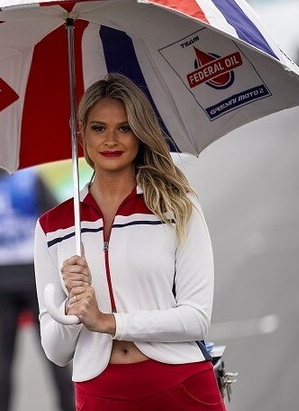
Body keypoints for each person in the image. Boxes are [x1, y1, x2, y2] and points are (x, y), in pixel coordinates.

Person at [34, 73, 225, 410]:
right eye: (98, 128)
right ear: (81, 134)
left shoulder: (177, 206)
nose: (111, 139)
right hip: (100, 394)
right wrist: (72, 308)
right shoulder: (54, 227)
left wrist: (109, 322)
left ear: (140, 133)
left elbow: (197, 318)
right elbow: (55, 351)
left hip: (180, 386)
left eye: (124, 127)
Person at [0, 164, 74, 411]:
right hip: (33, 275)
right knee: (52, 348)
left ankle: (1, 407)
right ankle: (68, 405)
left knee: (4, 354)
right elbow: (55, 217)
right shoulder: (29, 179)